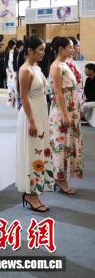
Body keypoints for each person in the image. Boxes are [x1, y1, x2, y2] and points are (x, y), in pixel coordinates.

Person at [16, 37, 53, 212]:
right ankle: (30, 194)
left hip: (41, 112)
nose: (43, 53)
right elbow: (23, 97)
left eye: (43, 49)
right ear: (29, 51)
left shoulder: (36, 68)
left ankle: (35, 192)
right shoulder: (25, 70)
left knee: (40, 150)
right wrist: (31, 121)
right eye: (40, 49)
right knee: (33, 152)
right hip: (31, 115)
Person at [47, 37, 83, 195]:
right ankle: (59, 179)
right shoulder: (56, 66)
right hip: (62, 112)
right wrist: (65, 115)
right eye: (70, 47)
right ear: (61, 49)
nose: (72, 49)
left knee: (68, 144)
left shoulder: (65, 64)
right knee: (60, 144)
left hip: (71, 109)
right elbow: (58, 93)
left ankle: (62, 177)